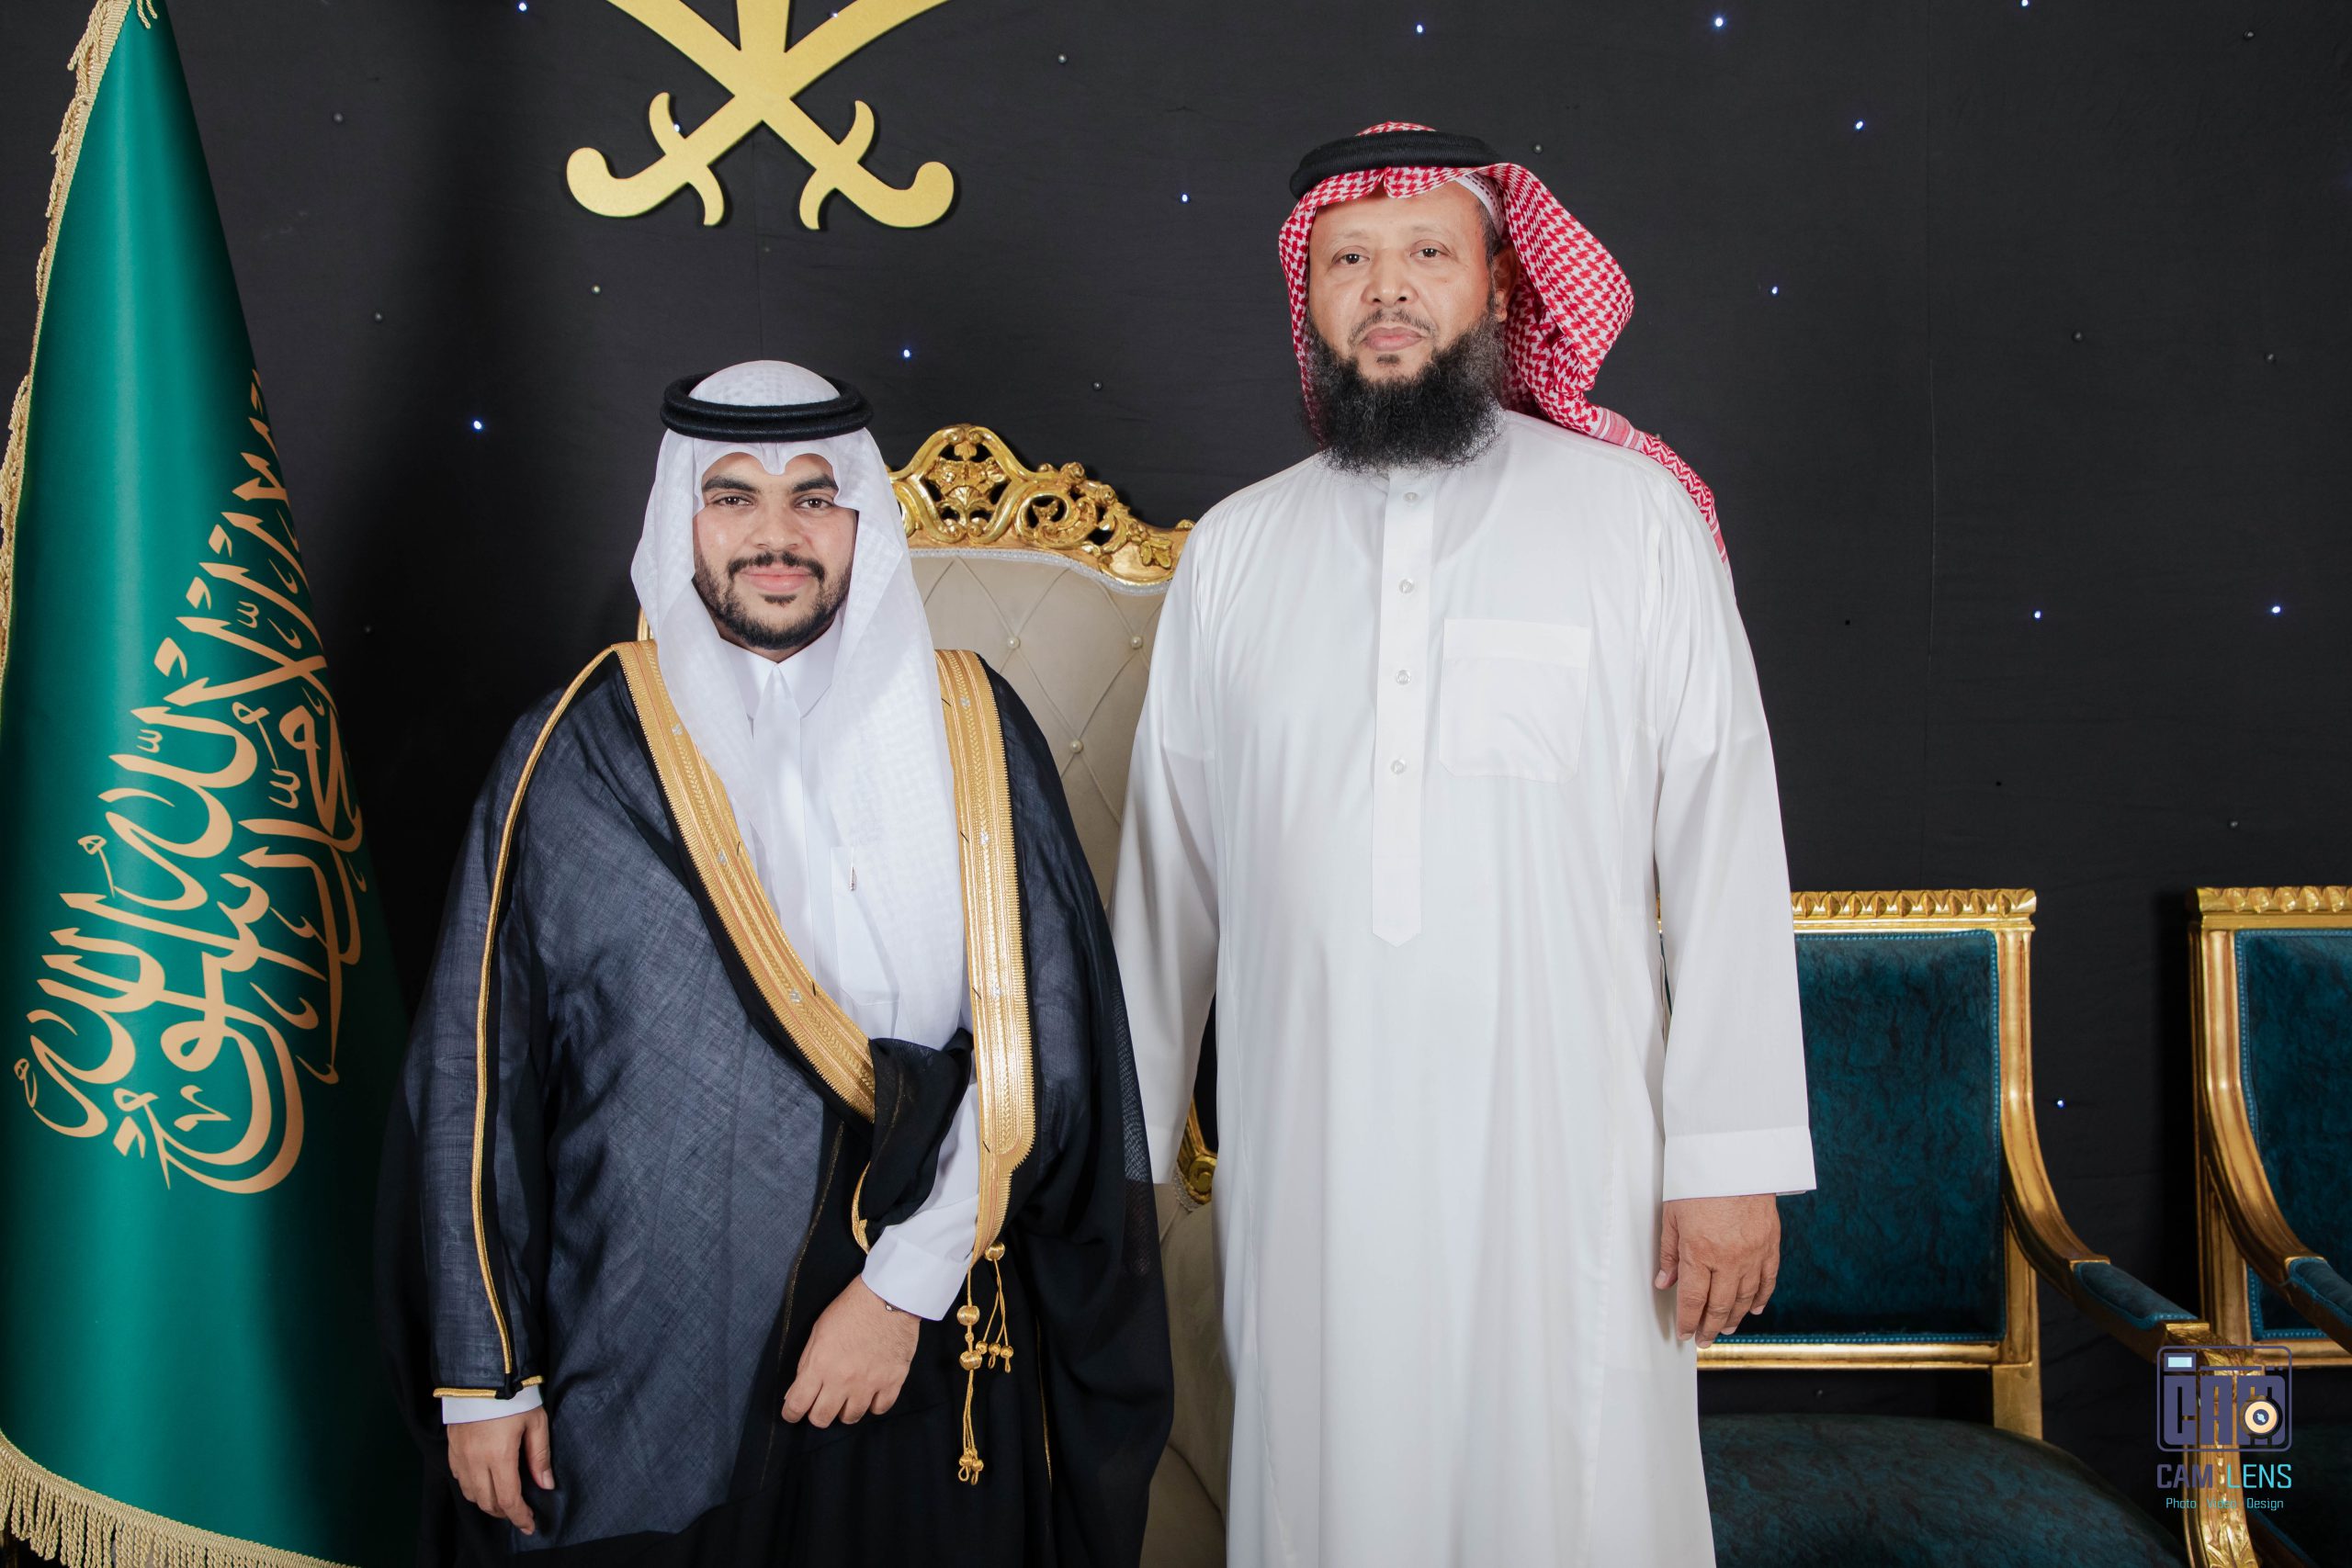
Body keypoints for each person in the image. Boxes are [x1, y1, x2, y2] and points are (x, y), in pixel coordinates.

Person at [1113, 124, 1816, 1565]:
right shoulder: (1237, 552)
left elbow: (1728, 841)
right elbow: (1165, 885)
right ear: (1308, 296)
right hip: (1312, 1156)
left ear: (1500, 285)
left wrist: (1728, 1156)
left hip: (1575, 1158)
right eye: (1350, 260)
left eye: (1428, 254)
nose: (1389, 290)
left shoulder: (1636, 521)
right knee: (1331, 1485)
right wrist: (1114, 1173)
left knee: (1575, 1489)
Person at [377, 361, 1170, 1565]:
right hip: (642, 1350)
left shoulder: (971, 725)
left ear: (860, 521)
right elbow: (474, 1076)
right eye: (734, 496)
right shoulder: (576, 754)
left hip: (919, 1327)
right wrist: (486, 1378)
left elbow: (1047, 1051)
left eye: (813, 495)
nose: (777, 534)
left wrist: (901, 1289)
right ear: (682, 520)